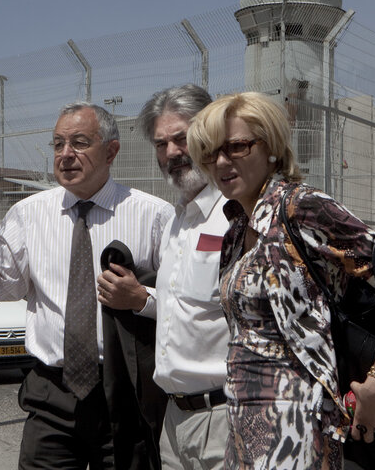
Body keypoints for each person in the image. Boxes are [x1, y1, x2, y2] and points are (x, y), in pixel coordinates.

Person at [185, 91, 375, 469]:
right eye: (210, 153)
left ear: (270, 146)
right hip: (243, 424)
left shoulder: (301, 207)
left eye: (236, 147)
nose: (221, 162)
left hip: (299, 425)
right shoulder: (238, 230)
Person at [0, 102, 173, 469]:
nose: (66, 155)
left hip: (125, 393)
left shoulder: (153, 215)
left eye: (79, 143)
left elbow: (182, 302)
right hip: (50, 394)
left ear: (111, 151)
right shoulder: (28, 215)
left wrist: (141, 299)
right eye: (58, 144)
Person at [135, 84, 230, 469]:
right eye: (161, 144)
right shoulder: (177, 221)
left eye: (182, 138)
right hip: (174, 423)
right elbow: (190, 307)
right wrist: (141, 299)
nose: (172, 152)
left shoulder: (238, 216)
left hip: (226, 417)